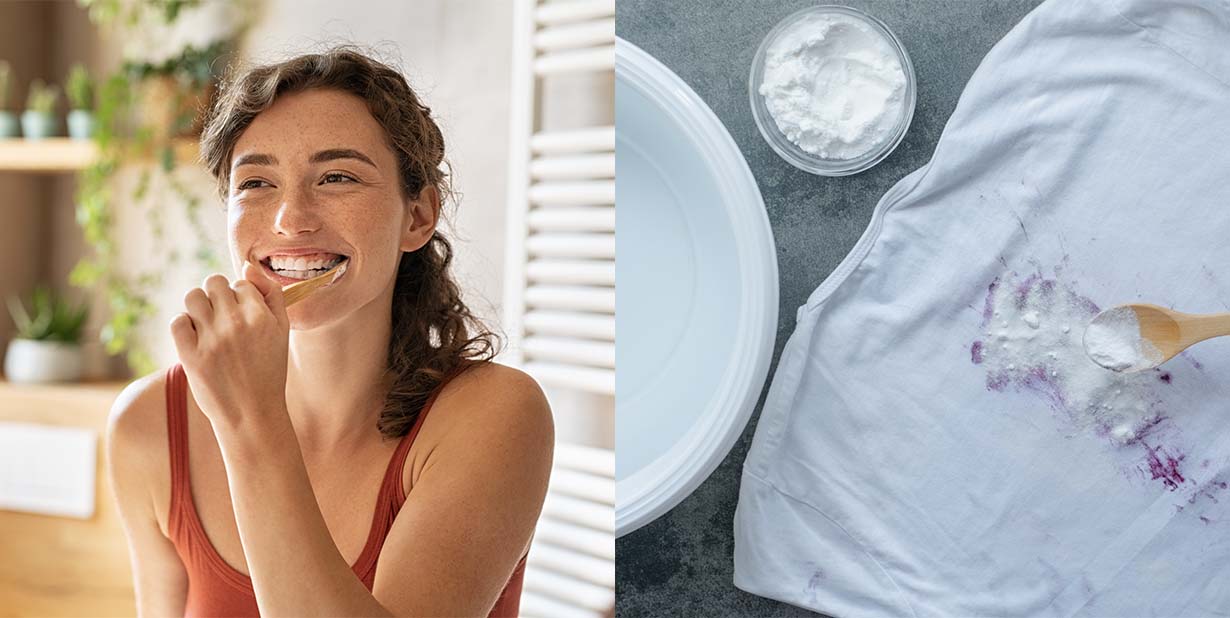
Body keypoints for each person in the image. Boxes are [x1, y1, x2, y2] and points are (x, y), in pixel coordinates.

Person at [105, 46, 554, 617]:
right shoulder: (148, 424)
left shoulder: (495, 416)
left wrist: (250, 421)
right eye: (256, 183)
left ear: (418, 216)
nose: (290, 219)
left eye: (337, 177)